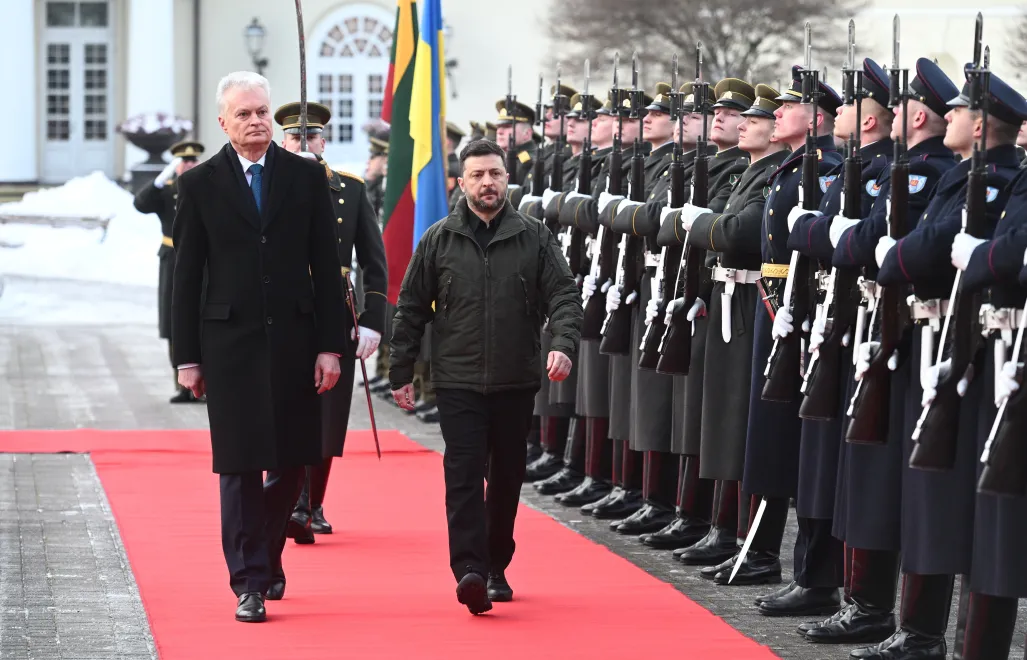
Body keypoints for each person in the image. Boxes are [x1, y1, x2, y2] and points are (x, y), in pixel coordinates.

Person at [171, 71, 347, 624]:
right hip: (229, 347)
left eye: (263, 112)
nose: (256, 122)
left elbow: (326, 267)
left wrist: (330, 346)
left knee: (295, 459)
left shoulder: (304, 177)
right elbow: (187, 275)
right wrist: (187, 356)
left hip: (296, 341)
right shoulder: (200, 184)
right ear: (223, 121)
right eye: (244, 114)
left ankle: (267, 553)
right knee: (240, 466)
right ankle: (248, 580)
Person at [389, 138, 582, 615]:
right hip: (457, 381)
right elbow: (411, 307)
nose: (487, 182)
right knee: (462, 474)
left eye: (494, 173)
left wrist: (561, 345)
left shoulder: (534, 236)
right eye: (477, 175)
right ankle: (470, 570)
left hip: (516, 380)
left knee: (507, 476)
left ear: (506, 178)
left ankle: (497, 564)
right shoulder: (439, 237)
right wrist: (401, 371)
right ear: (461, 181)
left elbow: (564, 295)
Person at [269, 101, 387, 546]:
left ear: (324, 141)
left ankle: (311, 502)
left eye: (311, 136)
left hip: (335, 310)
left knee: (328, 414)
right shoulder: (268, 186)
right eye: (296, 137)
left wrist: (373, 320)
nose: (304, 143)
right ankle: (287, 501)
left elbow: (374, 263)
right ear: (284, 141)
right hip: (281, 310)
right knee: (284, 409)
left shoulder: (350, 190)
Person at [133, 139, 205, 403]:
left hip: (204, 259)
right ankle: (182, 384)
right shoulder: (168, 191)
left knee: (204, 319)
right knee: (175, 322)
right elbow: (140, 204)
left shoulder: (208, 187)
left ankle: (206, 381)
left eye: (193, 160)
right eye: (183, 161)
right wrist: (160, 179)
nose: (188, 164)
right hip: (172, 259)